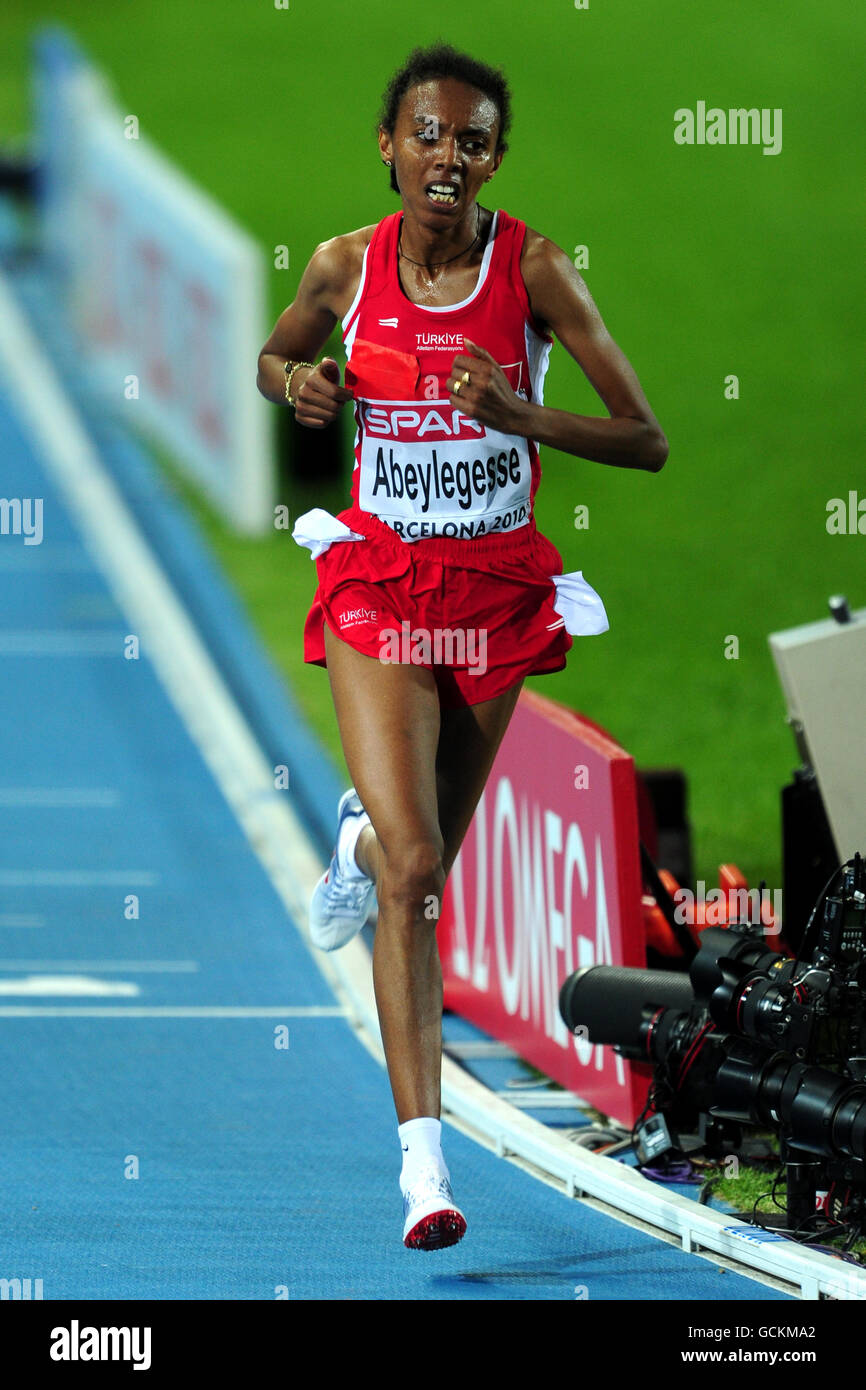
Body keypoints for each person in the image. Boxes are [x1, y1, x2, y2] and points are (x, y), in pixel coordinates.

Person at [256, 42, 668, 1251]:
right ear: (386, 147)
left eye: (472, 140)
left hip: (492, 589)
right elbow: (275, 354)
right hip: (382, 579)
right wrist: (298, 389)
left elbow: (643, 439)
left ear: (495, 159)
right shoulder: (344, 266)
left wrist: (521, 413)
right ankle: (423, 1175)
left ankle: (351, 830)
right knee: (419, 871)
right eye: (427, 135)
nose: (448, 156)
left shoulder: (532, 269)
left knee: (408, 850)